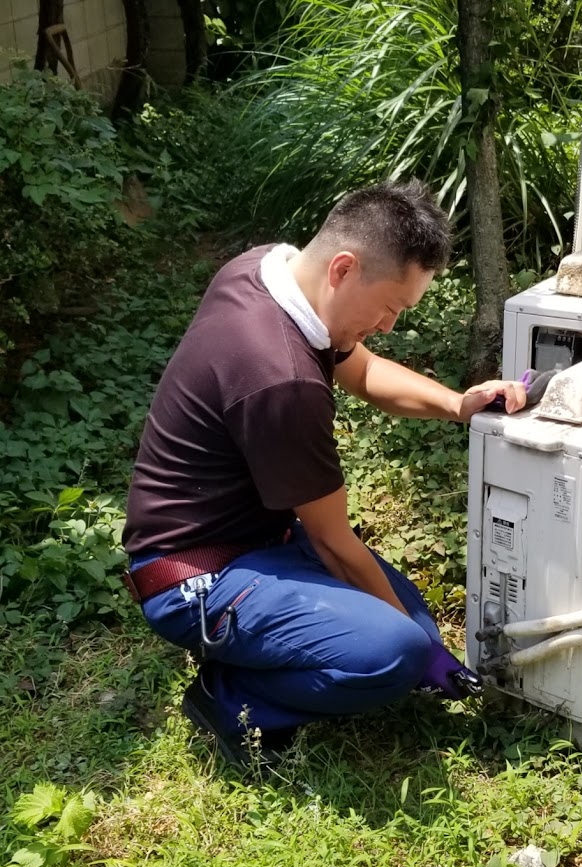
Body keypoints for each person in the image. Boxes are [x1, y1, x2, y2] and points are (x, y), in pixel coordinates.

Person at [122, 179, 526, 767]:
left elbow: (363, 371)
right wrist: (419, 657)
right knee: (395, 652)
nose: (389, 325)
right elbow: (336, 546)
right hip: (194, 575)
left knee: (414, 629)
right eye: (390, 307)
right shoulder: (280, 377)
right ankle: (232, 697)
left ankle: (263, 647)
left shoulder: (264, 270)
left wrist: (457, 403)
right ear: (343, 268)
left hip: (259, 541)